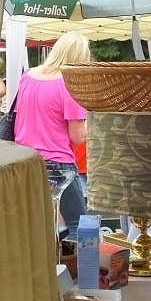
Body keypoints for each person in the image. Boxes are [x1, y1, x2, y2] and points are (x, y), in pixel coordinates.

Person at [13, 30, 90, 238]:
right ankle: (78, 270)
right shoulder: (70, 85)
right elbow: (78, 136)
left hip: (24, 160)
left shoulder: (27, 76)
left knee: (36, 224)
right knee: (80, 226)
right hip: (57, 164)